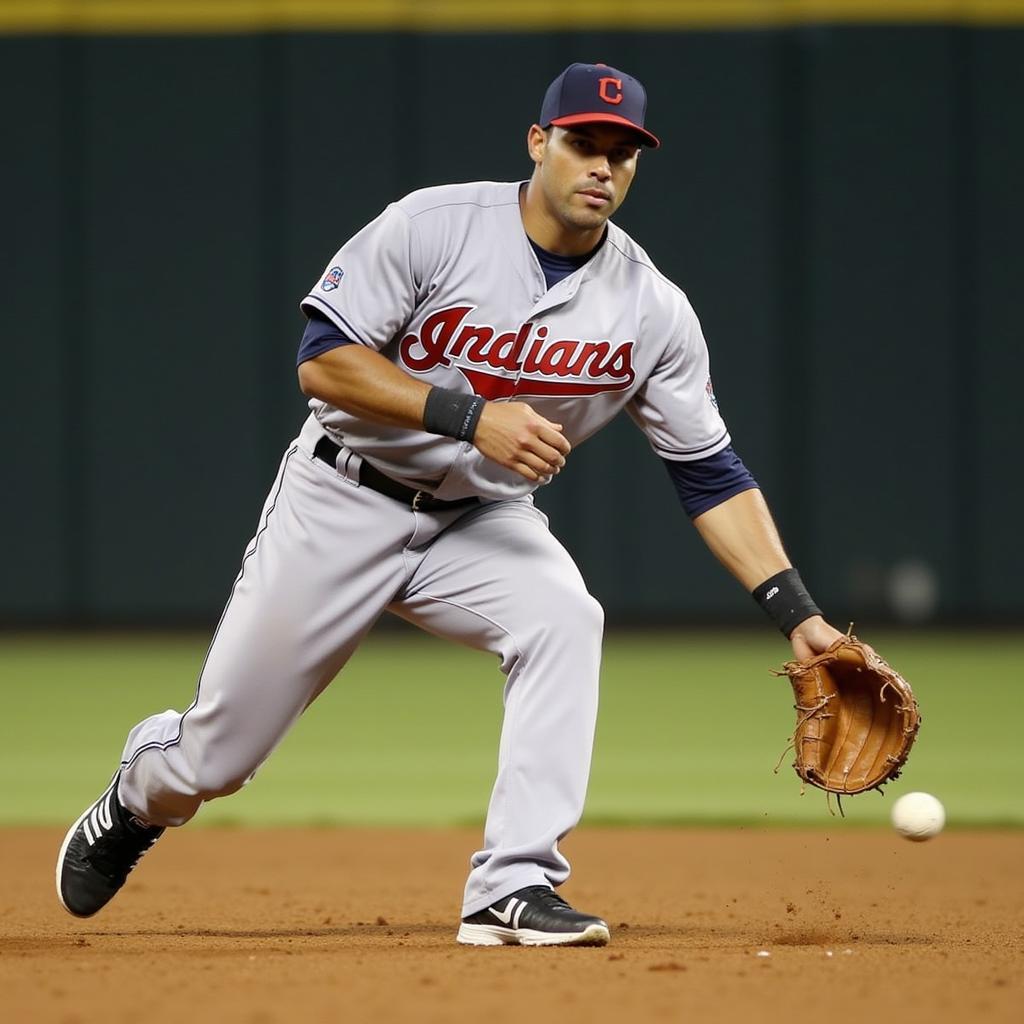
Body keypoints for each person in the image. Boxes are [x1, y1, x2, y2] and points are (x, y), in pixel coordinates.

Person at [57, 62, 845, 948]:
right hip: (344, 494)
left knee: (564, 618)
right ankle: (137, 793)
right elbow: (323, 360)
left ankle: (513, 886)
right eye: (585, 143)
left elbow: (709, 471)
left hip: (478, 519)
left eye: (623, 154)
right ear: (539, 142)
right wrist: (470, 415)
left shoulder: (652, 309)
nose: (603, 167)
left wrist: (797, 614)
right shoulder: (436, 226)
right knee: (216, 761)